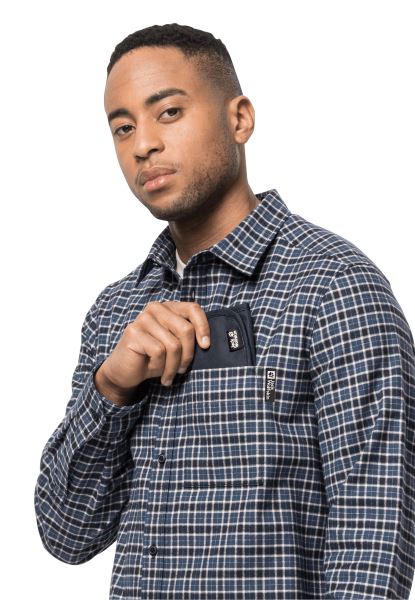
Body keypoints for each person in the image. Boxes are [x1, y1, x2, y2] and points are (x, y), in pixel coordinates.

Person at [34, 23, 415, 599]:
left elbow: (373, 543)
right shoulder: (117, 311)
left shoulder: (333, 285)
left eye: (168, 113)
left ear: (239, 119)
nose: (142, 145)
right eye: (123, 127)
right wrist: (111, 388)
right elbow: (67, 534)